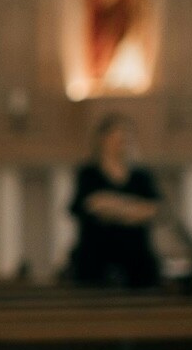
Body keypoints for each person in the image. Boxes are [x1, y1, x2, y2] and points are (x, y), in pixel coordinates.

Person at [66, 114, 165, 288]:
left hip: (137, 260)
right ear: (103, 139)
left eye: (127, 137)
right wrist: (132, 209)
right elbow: (91, 205)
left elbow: (152, 209)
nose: (123, 141)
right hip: (95, 259)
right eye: (117, 136)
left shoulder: (141, 176)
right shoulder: (89, 174)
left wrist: (112, 206)